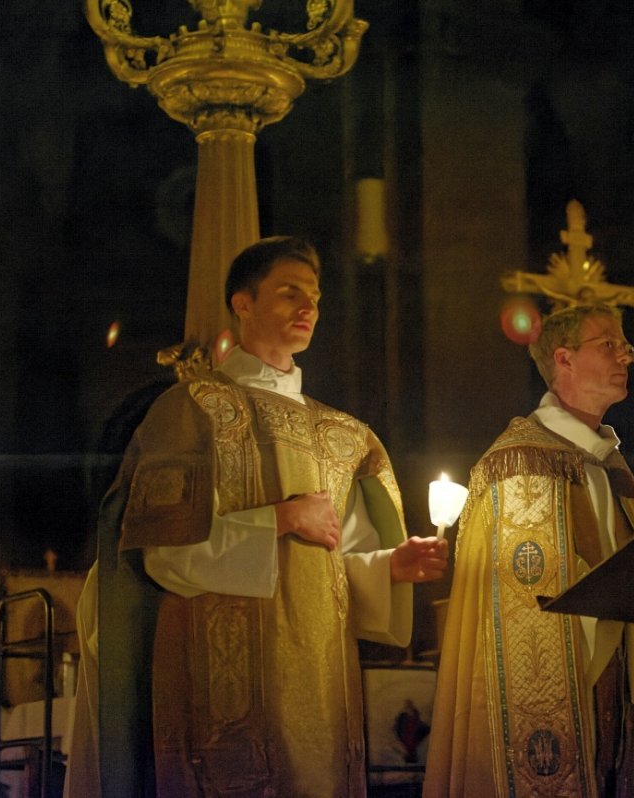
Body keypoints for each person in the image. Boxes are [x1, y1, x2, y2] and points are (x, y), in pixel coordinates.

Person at [66, 236, 448, 797]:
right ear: (241, 304)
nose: (308, 307)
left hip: (317, 696)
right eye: (289, 292)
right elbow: (166, 558)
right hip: (220, 702)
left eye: (315, 296)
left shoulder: (344, 437)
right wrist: (282, 518)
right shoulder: (191, 410)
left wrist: (391, 565)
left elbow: (332, 572)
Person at [423, 304, 634, 797]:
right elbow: (524, 611)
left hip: (608, 688)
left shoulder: (610, 467)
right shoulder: (519, 463)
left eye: (626, 346)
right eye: (608, 344)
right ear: (564, 359)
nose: (625, 357)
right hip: (555, 694)